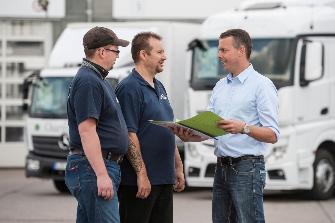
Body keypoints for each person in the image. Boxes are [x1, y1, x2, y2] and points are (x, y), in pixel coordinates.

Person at [173, 29, 280, 223]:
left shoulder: (262, 85)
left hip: (248, 169)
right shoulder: (220, 86)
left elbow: (272, 134)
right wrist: (191, 136)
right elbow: (213, 128)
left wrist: (244, 127)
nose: (218, 55)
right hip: (221, 167)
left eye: (223, 50)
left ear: (241, 50)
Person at [115, 32, 185, 223]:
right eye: (160, 52)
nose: (165, 56)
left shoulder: (159, 86)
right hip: (139, 182)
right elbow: (129, 135)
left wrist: (177, 167)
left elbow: (169, 129)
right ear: (143, 55)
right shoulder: (129, 88)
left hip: (163, 178)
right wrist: (142, 175)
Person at [65, 26, 130, 223]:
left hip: (95, 166)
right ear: (102, 51)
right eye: (115, 50)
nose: (118, 56)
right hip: (93, 168)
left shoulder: (96, 79)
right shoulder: (88, 81)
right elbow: (86, 131)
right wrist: (101, 175)